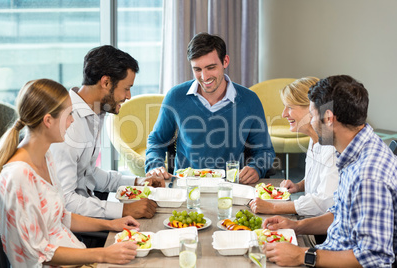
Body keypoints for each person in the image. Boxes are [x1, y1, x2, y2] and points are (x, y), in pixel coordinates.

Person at [0, 79, 140, 267]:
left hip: (77, 257)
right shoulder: (18, 176)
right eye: (69, 114)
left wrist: (111, 224)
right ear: (48, 121)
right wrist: (102, 254)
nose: (73, 121)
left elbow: (61, 216)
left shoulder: (45, 157)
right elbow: (39, 253)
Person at [262, 75, 397, 267]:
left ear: (328, 118)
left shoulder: (368, 175)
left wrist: (302, 256)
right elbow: (340, 214)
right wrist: (296, 226)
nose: (311, 121)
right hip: (329, 249)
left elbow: (374, 259)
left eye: (312, 114)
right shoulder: (355, 149)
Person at [49, 45, 164, 220]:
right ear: (106, 82)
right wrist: (124, 211)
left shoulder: (95, 113)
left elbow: (88, 173)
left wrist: (137, 182)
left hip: (89, 207)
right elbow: (66, 201)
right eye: (126, 88)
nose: (129, 96)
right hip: (76, 225)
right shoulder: (68, 123)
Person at [145, 32, 275, 184]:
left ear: (225, 61)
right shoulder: (175, 97)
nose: (204, 77)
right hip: (186, 188)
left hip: (231, 188)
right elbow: (156, 140)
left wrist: (256, 168)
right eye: (197, 69)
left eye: (211, 67)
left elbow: (264, 151)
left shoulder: (249, 100)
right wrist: (155, 165)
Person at [249, 77, 339, 217]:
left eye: (290, 107)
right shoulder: (315, 138)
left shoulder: (332, 147)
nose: (284, 114)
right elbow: (321, 179)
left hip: (323, 229)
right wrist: (299, 185)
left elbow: (324, 203)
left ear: (311, 108)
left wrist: (273, 207)